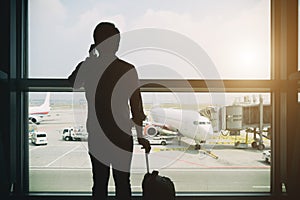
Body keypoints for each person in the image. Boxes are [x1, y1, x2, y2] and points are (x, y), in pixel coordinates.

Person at [68, 22, 151, 200]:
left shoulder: (89, 67)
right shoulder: (127, 69)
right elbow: (136, 107)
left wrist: (90, 58)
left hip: (97, 134)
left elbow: (72, 82)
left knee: (99, 183)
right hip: (121, 134)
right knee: (123, 183)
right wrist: (140, 136)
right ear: (115, 43)